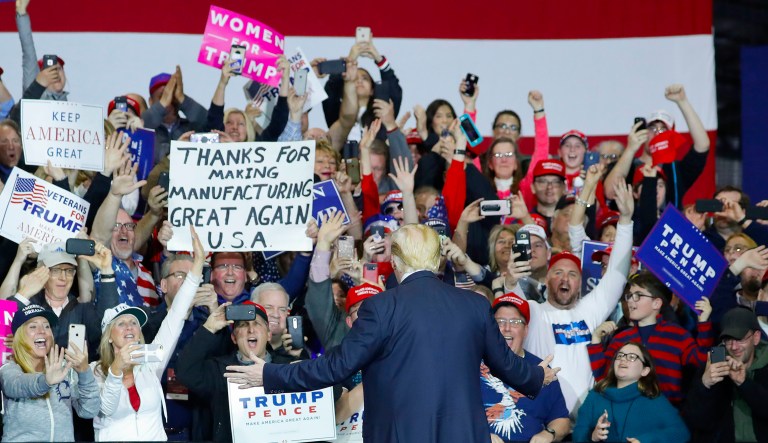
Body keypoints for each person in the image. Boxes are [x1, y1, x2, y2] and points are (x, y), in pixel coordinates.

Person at [224, 224, 559, 442]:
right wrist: (536, 377)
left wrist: (269, 374)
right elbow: (506, 365)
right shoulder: (473, 305)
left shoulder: (381, 307)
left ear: (397, 262)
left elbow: (335, 367)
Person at [90, 226, 204, 441]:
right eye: (121, 323)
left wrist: (197, 267)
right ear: (109, 335)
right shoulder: (94, 372)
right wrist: (116, 369)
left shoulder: (149, 363)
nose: (130, 327)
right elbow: (106, 407)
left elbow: (176, 315)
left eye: (134, 323)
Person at [176, 301, 302, 442]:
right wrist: (209, 327)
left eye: (257, 324)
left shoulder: (286, 368)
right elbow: (185, 371)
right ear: (234, 338)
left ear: (268, 335)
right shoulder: (219, 370)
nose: (251, 330)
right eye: (243, 325)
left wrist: (299, 357)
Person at [588, 270, 713, 407]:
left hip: (666, 415)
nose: (630, 300)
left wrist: (704, 323)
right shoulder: (620, 338)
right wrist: (596, 340)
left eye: (638, 295)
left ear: (656, 303)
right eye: (629, 295)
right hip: (626, 414)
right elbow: (602, 377)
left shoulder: (678, 335)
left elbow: (701, 363)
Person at [0, 304, 100, 442]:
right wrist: (46, 381)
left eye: (47, 326)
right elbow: (17, 385)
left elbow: (89, 410)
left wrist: (84, 372)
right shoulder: (9, 370)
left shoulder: (65, 368)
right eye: (33, 326)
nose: (42, 331)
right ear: (20, 336)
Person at [482, 294, 570, 442]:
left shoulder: (542, 369)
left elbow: (561, 419)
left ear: (526, 330)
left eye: (515, 322)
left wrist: (548, 433)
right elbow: (453, 414)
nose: (507, 328)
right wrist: (480, 435)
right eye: (500, 321)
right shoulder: (472, 364)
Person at [573, 342, 690, 442]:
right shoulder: (596, 395)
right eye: (620, 356)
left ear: (645, 370)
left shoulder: (653, 398)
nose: (623, 359)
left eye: (632, 357)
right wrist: (592, 437)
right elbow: (578, 434)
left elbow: (681, 432)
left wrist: (645, 441)